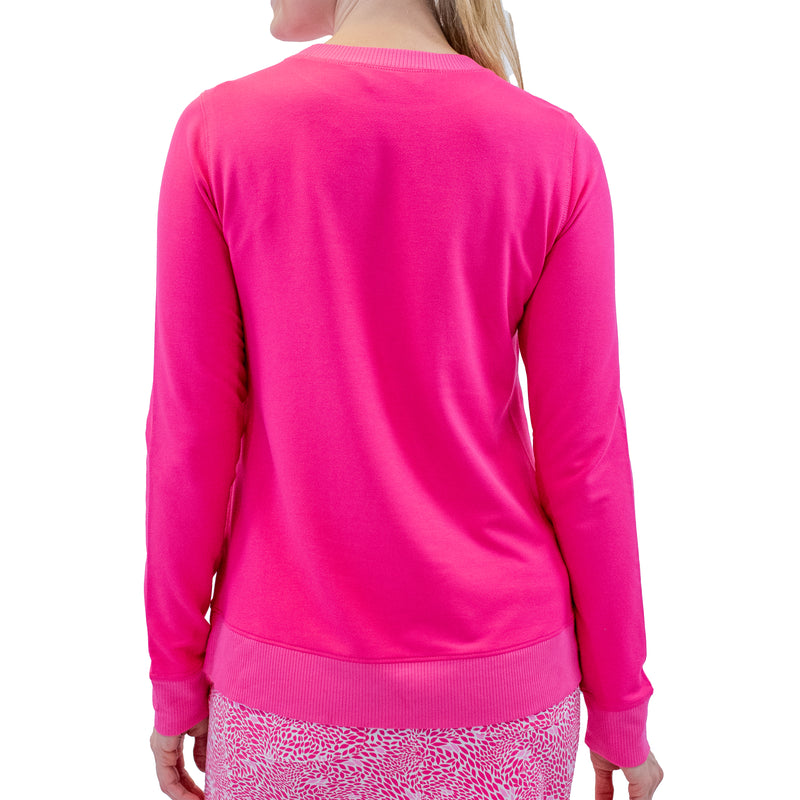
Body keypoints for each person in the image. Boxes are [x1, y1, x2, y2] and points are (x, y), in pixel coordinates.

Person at [144, 0, 666, 798]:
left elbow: (191, 440)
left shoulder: (220, 134)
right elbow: (586, 460)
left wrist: (176, 679)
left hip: (284, 703)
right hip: (506, 698)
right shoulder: (554, 149)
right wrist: (621, 706)